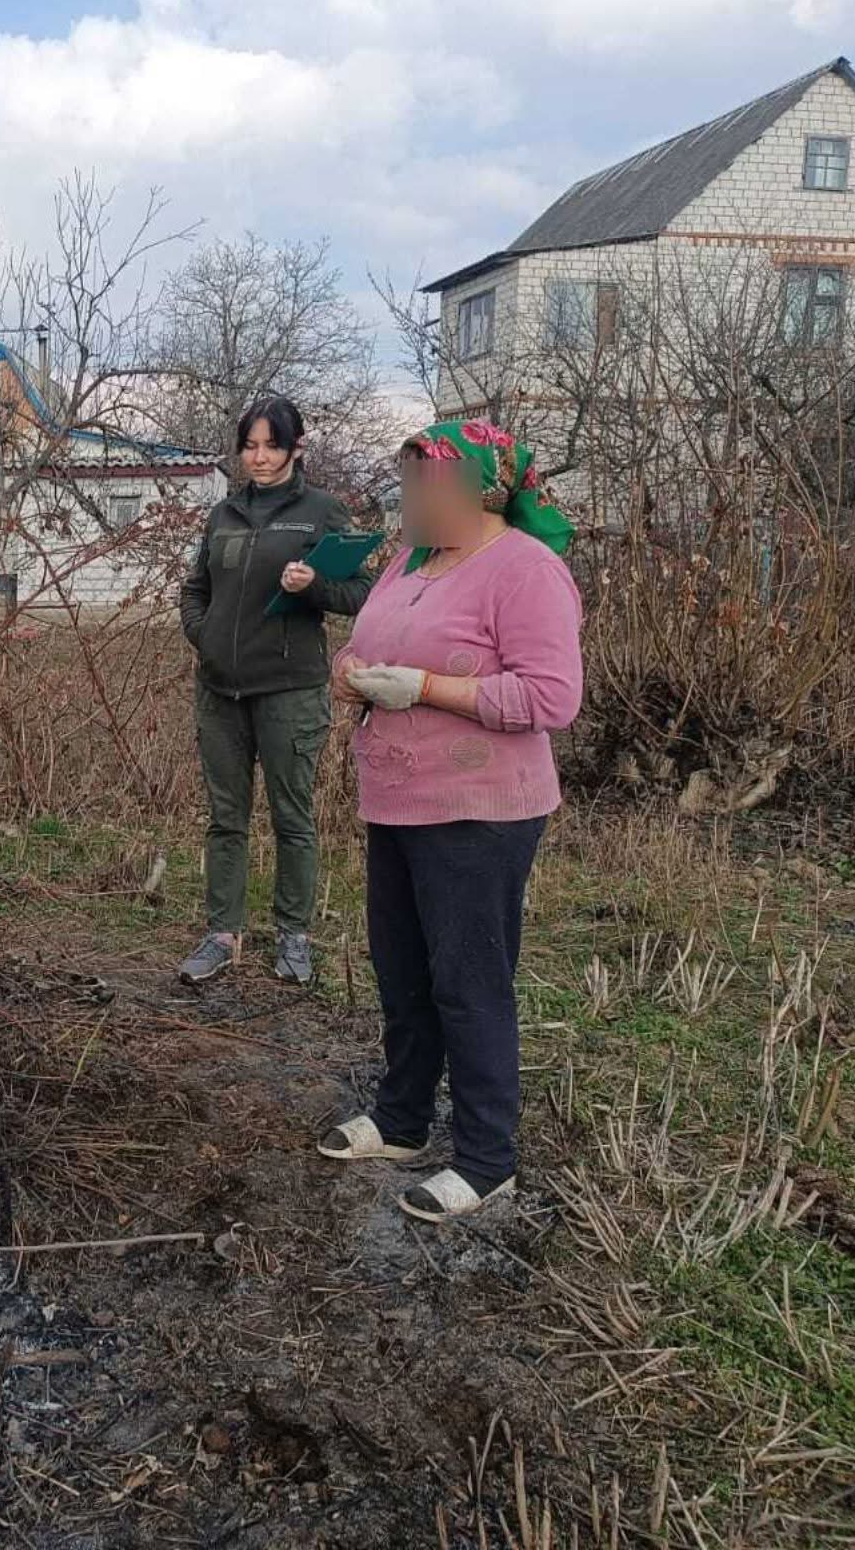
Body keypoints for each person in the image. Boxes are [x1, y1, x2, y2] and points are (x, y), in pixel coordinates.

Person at [316, 419, 581, 1223]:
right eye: (407, 484)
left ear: (480, 489)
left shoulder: (526, 570)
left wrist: (426, 689)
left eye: (424, 485)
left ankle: (486, 1157)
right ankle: (400, 1121)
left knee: (469, 983)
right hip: (397, 799)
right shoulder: (410, 559)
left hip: (479, 811)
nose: (410, 500)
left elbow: (551, 698)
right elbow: (368, 641)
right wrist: (352, 674)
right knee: (401, 969)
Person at [177, 396, 373, 988]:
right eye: (250, 446)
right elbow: (195, 589)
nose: (259, 458)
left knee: (292, 816)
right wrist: (205, 638)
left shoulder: (321, 513)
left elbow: (361, 592)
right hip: (220, 692)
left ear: (296, 448)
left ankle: (294, 935)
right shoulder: (225, 514)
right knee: (225, 818)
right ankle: (222, 934)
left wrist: (315, 585)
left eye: (272, 446)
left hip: (290, 691)